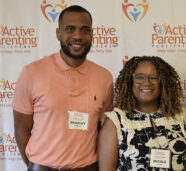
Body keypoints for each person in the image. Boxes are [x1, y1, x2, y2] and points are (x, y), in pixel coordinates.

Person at [13, 5, 113, 171]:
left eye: (85, 30)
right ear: (58, 33)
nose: (78, 36)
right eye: (70, 29)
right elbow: (21, 129)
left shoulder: (104, 77)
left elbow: (103, 130)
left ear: (92, 34)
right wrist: (37, 165)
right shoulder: (32, 73)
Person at [98, 56, 186, 171]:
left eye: (154, 77)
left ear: (163, 82)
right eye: (139, 77)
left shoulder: (180, 116)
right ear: (130, 81)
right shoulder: (116, 120)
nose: (147, 82)